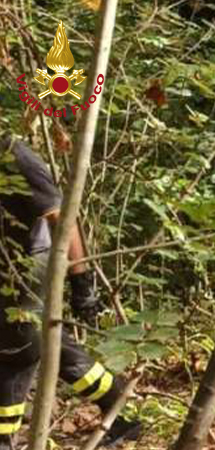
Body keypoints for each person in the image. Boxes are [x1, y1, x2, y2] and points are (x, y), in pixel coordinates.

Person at [0, 137, 141, 449]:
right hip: (5, 266)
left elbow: (62, 217)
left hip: (28, 263)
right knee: (46, 339)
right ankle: (116, 406)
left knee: (18, 345)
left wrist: (82, 284)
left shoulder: (14, 156)